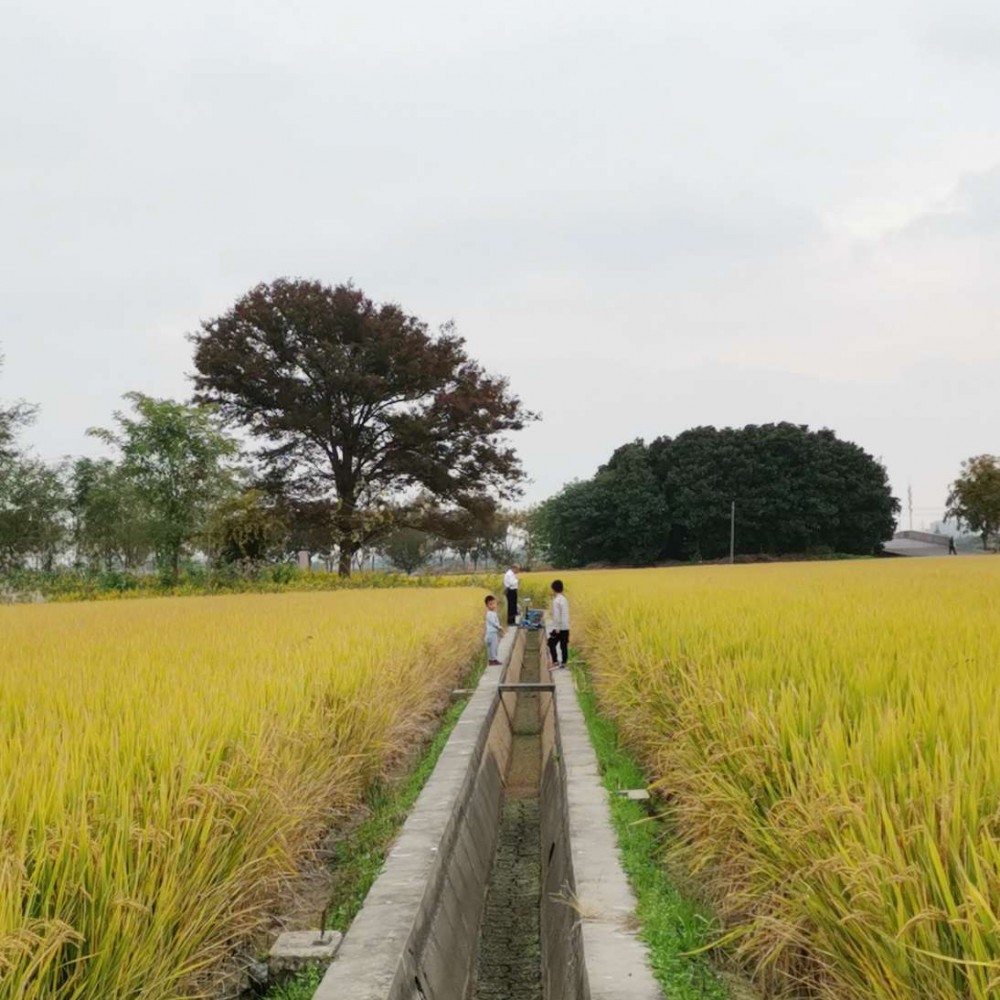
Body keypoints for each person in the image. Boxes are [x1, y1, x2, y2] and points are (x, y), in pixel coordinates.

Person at [547, 579, 570, 669]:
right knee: (563, 645)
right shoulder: (564, 599)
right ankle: (564, 662)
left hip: (559, 627)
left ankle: (555, 662)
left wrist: (556, 627)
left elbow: (557, 615)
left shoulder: (556, 601)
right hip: (565, 626)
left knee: (550, 643)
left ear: (553, 589)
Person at [484, 594, 503, 666]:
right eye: (490, 604)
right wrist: (500, 628)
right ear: (487, 605)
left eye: (493, 603)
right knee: (493, 647)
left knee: (490, 648)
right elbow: (494, 623)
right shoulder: (490, 614)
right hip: (492, 634)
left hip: (489, 633)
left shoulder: (491, 613)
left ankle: (491, 660)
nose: (492, 605)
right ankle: (493, 660)